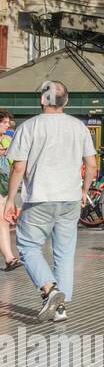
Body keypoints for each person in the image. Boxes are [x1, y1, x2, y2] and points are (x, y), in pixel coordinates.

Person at [4, 81, 97, 322]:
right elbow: (91, 165)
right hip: (70, 198)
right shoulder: (79, 127)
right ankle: (60, 308)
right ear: (65, 101)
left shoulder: (29, 127)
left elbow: (18, 168)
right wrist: (85, 190)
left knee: (28, 247)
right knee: (64, 253)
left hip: (40, 198)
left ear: (41, 100)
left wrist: (10, 200)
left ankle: (49, 290)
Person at [0, 109, 22, 271]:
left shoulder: (7, 139)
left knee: (4, 221)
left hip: (3, 186)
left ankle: (9, 258)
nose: (8, 125)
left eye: (8, 122)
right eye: (4, 122)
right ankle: (9, 257)